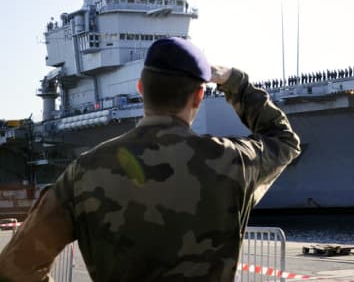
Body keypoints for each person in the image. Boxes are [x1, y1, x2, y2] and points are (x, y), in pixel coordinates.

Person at [0, 37, 301, 281]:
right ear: (198, 96)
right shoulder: (232, 160)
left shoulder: (85, 171)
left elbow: (15, 268)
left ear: (141, 89)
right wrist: (235, 82)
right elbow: (284, 141)